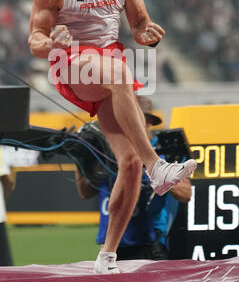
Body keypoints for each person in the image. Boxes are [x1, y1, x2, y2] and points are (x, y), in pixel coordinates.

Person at [28, 0, 197, 273]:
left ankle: (107, 257)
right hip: (72, 64)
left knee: (129, 161)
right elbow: (34, 40)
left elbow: (138, 23)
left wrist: (146, 33)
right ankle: (160, 168)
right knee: (120, 75)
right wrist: (52, 41)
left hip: (110, 59)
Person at [75, 95, 192, 261]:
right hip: (110, 249)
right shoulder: (110, 150)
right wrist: (81, 159)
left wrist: (152, 169)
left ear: (148, 122)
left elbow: (186, 194)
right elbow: (85, 192)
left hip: (150, 247)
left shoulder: (164, 151)